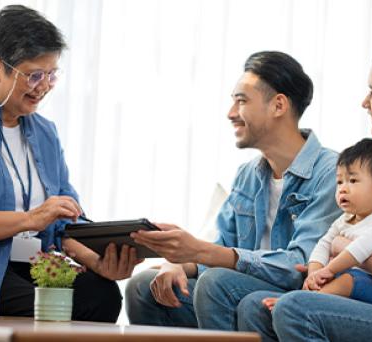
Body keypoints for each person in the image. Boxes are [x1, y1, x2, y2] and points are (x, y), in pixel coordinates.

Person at [125, 51, 341, 330]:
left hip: (289, 298)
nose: (230, 113)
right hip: (234, 290)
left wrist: (200, 252)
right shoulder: (248, 175)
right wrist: (180, 262)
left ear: (278, 105)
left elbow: (299, 265)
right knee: (144, 285)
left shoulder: (331, 172)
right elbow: (220, 247)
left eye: (241, 101)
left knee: (217, 283)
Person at [239, 40, 372, 342]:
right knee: (255, 306)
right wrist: (320, 264)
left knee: (295, 309)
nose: (365, 102)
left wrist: (338, 246)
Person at [0, 5, 141, 321]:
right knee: (48, 310)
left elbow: (64, 221)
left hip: (35, 264)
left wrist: (98, 260)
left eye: (52, 74)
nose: (44, 85)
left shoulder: (44, 132)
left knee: (102, 294)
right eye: (34, 75)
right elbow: (39, 218)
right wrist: (29, 219)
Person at [262, 138, 372, 312]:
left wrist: (327, 270)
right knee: (329, 277)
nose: (342, 188)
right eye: (339, 182)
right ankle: (304, 296)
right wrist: (315, 272)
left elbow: (359, 249)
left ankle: (304, 300)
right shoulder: (344, 218)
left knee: (348, 279)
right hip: (347, 275)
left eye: (352, 181)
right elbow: (324, 244)